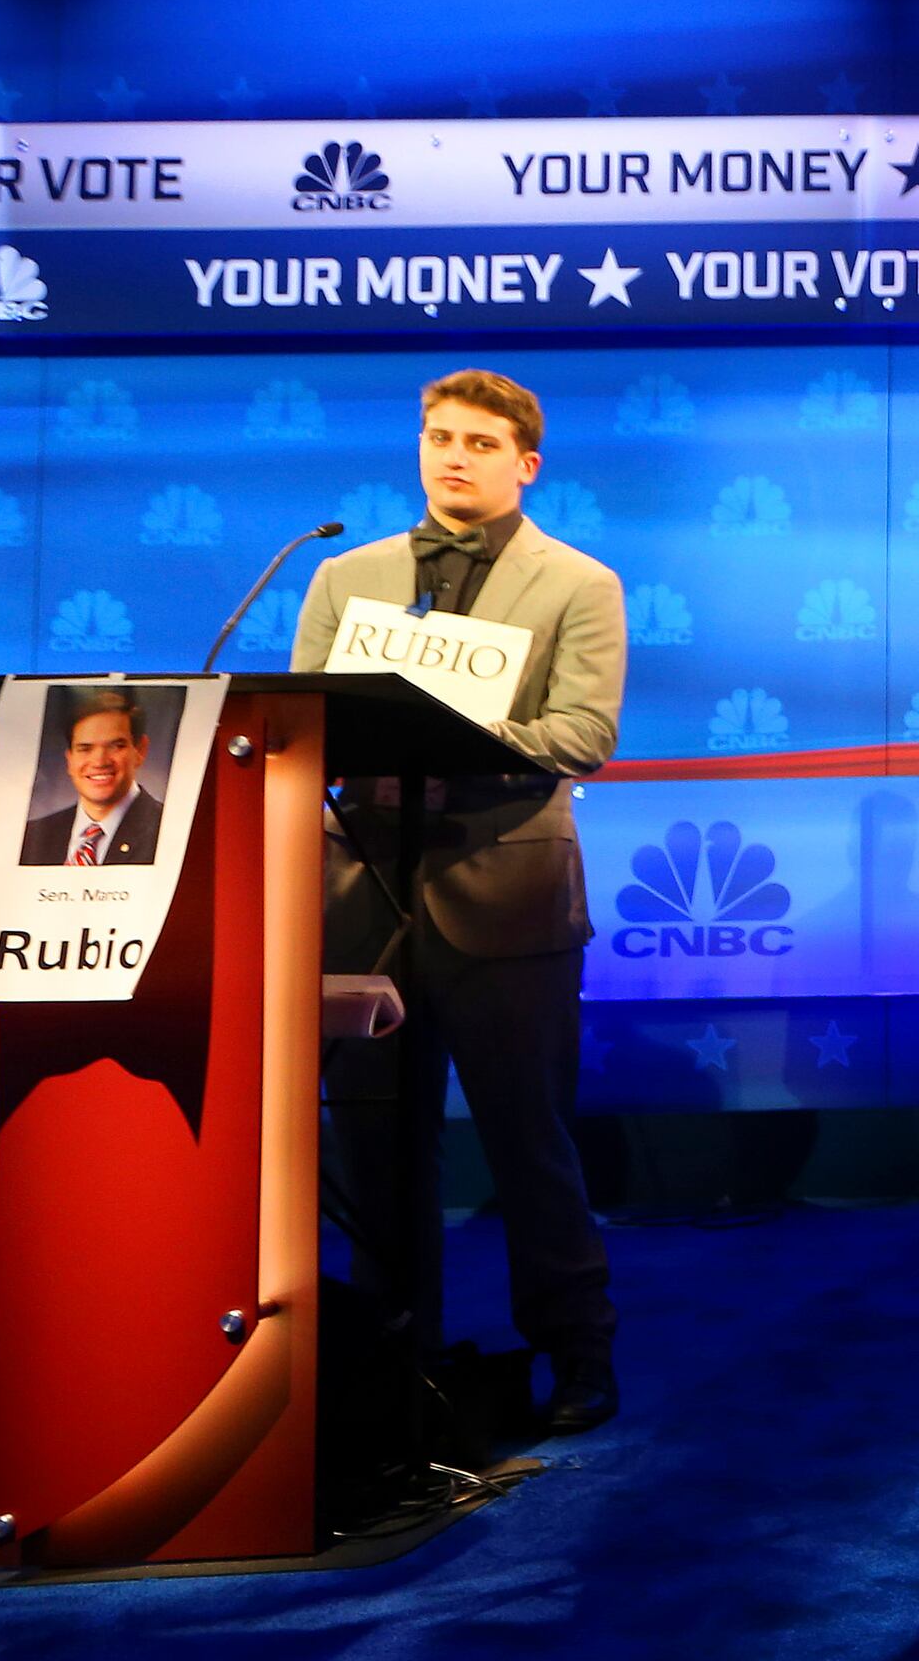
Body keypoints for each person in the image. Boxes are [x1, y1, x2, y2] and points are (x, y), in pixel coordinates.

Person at [299, 368, 629, 1435]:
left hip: (510, 899)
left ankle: (578, 1355)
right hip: (362, 901)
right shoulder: (347, 576)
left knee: (530, 1143)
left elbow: (584, 734)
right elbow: (303, 726)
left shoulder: (580, 582)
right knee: (376, 1153)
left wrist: (455, 737)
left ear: (525, 464)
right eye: (441, 437)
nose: (455, 456)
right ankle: (395, 1361)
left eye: (482, 443)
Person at [18, 687, 163, 866]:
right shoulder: (31, 837)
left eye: (115, 746)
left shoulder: (168, 830)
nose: (100, 762)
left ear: (140, 750)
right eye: (85, 748)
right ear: (69, 759)